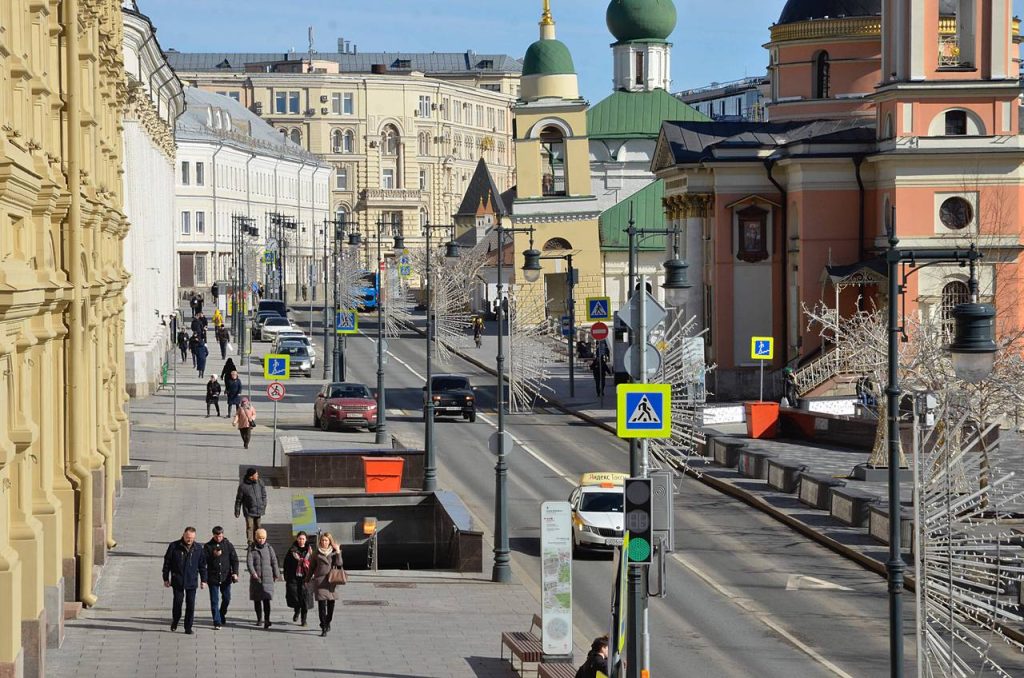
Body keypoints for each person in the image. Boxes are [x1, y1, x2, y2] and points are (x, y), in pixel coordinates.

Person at [162, 526, 207, 635]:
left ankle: (188, 627)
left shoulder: (198, 548)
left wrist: (204, 580)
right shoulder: (174, 546)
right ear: (183, 535)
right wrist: (166, 578)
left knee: (190, 605)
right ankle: (175, 620)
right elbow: (167, 563)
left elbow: (202, 566)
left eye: (191, 538)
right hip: (178, 580)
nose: (189, 540)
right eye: (187, 537)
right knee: (177, 602)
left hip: (191, 580)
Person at [203, 526, 239, 630]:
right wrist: (213, 556)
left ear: (223, 534)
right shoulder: (208, 546)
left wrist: (235, 573)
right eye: (216, 536)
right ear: (213, 535)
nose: (218, 538)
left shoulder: (228, 545)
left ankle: (222, 613)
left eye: (220, 536)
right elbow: (203, 562)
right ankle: (217, 621)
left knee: (227, 598)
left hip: (225, 577)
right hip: (213, 577)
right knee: (214, 600)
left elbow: (234, 560)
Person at [309, 532, 345, 637]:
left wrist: (338, 551)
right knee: (321, 606)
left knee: (331, 606)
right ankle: (323, 627)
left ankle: (328, 621)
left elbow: (339, 564)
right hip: (320, 582)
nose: (324, 542)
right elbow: (311, 567)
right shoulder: (316, 553)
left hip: (331, 582)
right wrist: (307, 579)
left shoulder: (334, 552)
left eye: (326, 540)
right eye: (322, 540)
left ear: (329, 542)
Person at [247, 528, 280, 629]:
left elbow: (274, 561)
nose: (261, 540)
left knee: (266, 600)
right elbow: (249, 562)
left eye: (263, 538)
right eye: (259, 538)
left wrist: (276, 573)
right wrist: (253, 573)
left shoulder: (269, 548)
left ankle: (267, 620)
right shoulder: (252, 548)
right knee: (257, 600)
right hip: (256, 579)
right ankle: (259, 619)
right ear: (256, 538)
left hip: (267, 578)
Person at [283, 531, 314, 626]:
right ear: (297, 539)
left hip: (306, 578)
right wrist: (286, 576)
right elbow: (286, 564)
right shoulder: (292, 550)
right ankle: (297, 610)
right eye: (300, 539)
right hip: (294, 578)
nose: (301, 540)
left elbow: (314, 563)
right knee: (295, 597)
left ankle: (304, 620)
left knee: (305, 599)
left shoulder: (310, 551)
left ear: (306, 540)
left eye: (303, 539)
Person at [234, 467, 266, 544]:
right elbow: (239, 500)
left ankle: (258, 542)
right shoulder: (243, 487)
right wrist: (237, 511)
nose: (257, 475)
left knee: (258, 527)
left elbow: (264, 495)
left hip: (258, 510)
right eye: (256, 474)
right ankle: (250, 543)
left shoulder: (260, 483)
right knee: (250, 527)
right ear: (251, 477)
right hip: (249, 511)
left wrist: (263, 505)